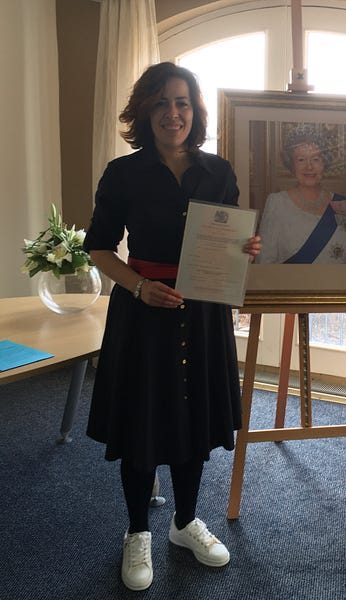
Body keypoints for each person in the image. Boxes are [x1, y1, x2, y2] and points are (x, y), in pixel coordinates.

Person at [83, 62, 261, 592]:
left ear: (195, 110)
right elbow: (98, 248)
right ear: (145, 112)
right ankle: (137, 530)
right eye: (161, 103)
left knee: (193, 420)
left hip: (202, 312)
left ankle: (184, 523)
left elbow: (226, 240)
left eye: (182, 102)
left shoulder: (219, 171)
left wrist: (244, 248)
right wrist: (138, 286)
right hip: (142, 312)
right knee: (142, 424)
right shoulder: (122, 173)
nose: (172, 113)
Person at [255, 125, 346, 264]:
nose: (309, 166)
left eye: (316, 159)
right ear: (291, 165)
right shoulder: (277, 203)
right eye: (301, 160)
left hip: (337, 285)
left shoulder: (341, 203)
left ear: (325, 163)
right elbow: (264, 262)